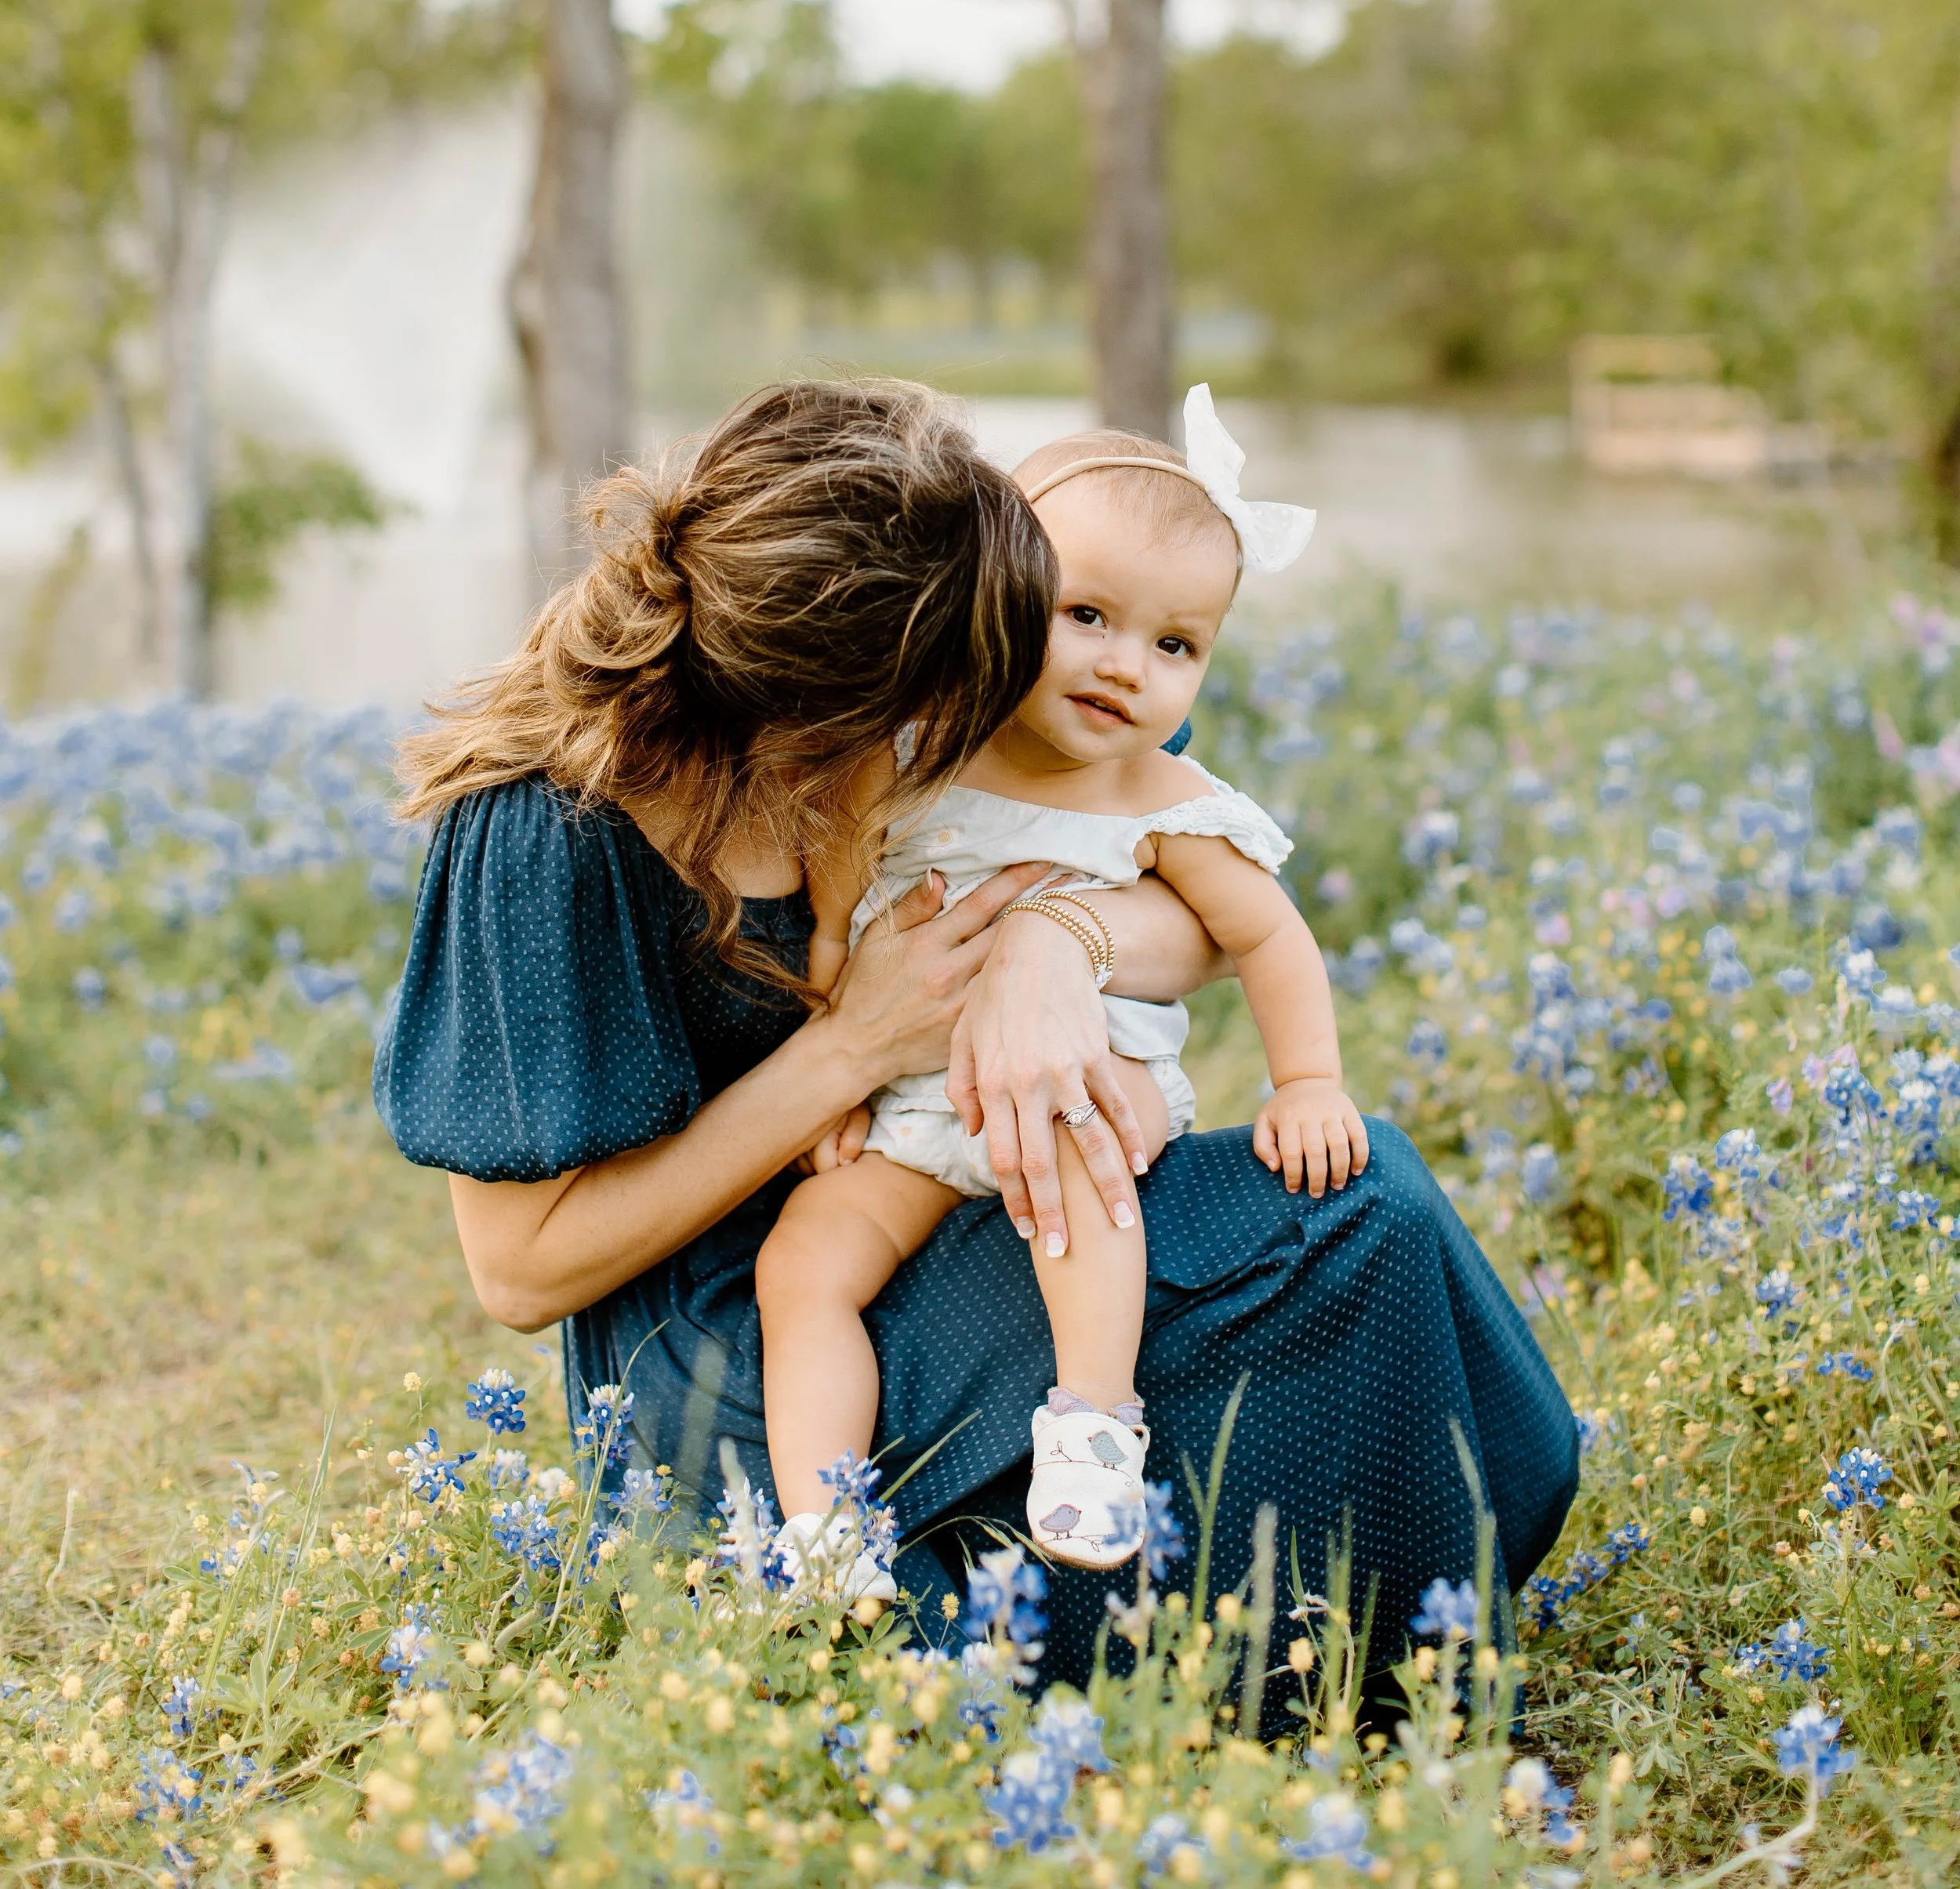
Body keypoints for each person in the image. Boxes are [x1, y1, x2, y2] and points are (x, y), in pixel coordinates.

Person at [373, 375, 1579, 1724]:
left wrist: (1053, 947)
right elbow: (520, 1271)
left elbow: (1195, 908)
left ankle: (1345, 1630)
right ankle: (1143, 1645)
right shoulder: (550, 833)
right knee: (1325, 1242)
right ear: (847, 687)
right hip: (735, 1333)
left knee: (1361, 1211)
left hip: (944, 1195)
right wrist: (848, 1053)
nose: (1026, 686)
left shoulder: (875, 734)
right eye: (984, 661)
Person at [757, 390, 1369, 1593]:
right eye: (1085, 613)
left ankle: (1093, 1420)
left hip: (1078, 1099)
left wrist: (1309, 1079)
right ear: (1002, 599)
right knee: (804, 1266)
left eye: (1175, 644)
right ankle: (827, 1527)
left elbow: (1272, 939)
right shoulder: (913, 753)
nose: (1124, 666)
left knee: (1084, 1207)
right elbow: (841, 889)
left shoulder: (1161, 801)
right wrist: (835, 1052)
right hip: (914, 1115)